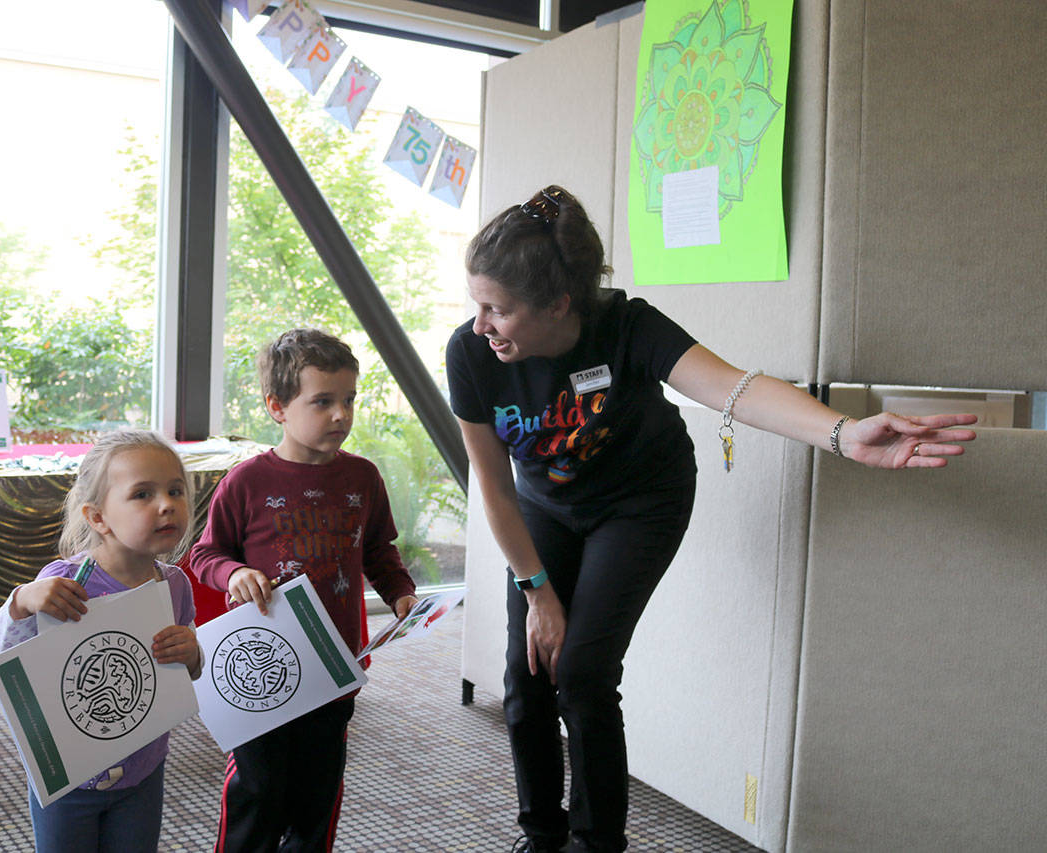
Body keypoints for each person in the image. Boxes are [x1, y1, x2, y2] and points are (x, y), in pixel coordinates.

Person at [445, 185, 978, 853]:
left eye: (498, 309)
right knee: (526, 673)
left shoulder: (628, 327)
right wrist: (537, 592)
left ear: (558, 303)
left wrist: (844, 434)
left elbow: (734, 388)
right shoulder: (471, 354)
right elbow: (494, 488)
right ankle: (540, 834)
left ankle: (596, 843)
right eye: (477, 304)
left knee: (581, 672)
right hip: (542, 504)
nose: (480, 325)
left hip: (640, 501)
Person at [190, 328, 419, 853]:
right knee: (257, 793)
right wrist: (234, 574)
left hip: (333, 669)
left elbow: (379, 552)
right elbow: (205, 555)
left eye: (349, 400)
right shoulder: (246, 482)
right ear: (277, 406)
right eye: (323, 401)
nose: (341, 414)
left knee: (317, 798)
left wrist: (402, 595)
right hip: (259, 672)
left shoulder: (363, 478)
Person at [0, 428, 204, 853]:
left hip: (144, 769)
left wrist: (193, 655)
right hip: (69, 779)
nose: (166, 504)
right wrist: (22, 601)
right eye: (143, 494)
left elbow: (185, 668)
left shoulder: (175, 584)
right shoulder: (64, 584)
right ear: (98, 518)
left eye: (175, 491)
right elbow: (5, 662)